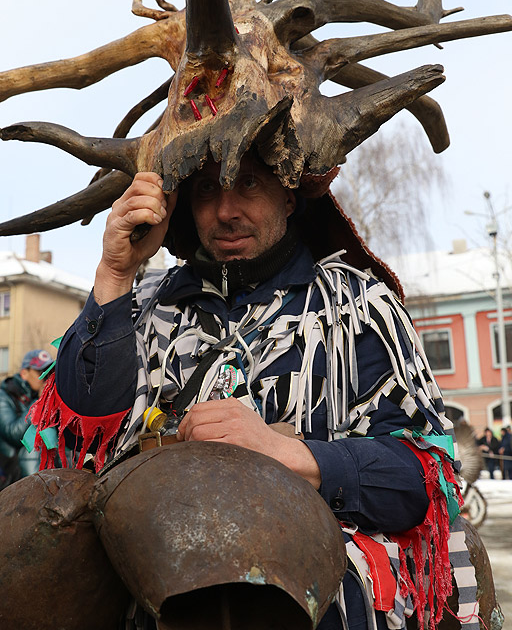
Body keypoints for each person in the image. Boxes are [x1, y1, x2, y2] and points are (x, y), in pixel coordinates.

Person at [30, 156, 478, 630]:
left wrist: (285, 454)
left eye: (248, 184)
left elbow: (425, 481)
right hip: (152, 572)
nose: (225, 210)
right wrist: (115, 273)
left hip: (316, 596)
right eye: (206, 189)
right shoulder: (136, 306)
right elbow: (79, 443)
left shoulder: (358, 307)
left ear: (288, 194)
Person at [0, 348, 53, 486]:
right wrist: (38, 403)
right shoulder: (4, 395)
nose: (45, 376)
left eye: (48, 372)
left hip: (43, 477)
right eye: (40, 372)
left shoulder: (39, 395)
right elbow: (12, 433)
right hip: (12, 477)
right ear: (24, 373)